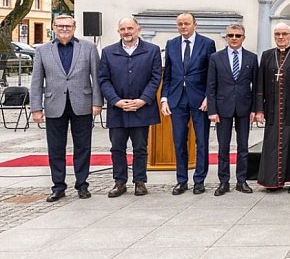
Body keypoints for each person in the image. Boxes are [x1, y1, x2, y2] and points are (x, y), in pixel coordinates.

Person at [30, 15, 102, 202]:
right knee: (55, 148)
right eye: (60, 25)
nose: (64, 29)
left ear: (74, 27)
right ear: (54, 27)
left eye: (68, 26)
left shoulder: (88, 48)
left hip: (82, 104)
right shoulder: (43, 51)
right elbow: (36, 81)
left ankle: (82, 184)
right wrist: (36, 108)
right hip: (54, 105)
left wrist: (97, 102)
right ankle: (58, 186)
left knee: (83, 147)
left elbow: (97, 77)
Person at [98, 18, 162, 198]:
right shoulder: (109, 52)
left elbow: (155, 78)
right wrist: (115, 100)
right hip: (118, 109)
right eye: (123, 29)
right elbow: (103, 79)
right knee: (117, 148)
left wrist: (143, 99)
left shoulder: (152, 51)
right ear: (118, 31)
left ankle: (140, 181)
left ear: (138, 29)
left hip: (142, 108)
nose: (127, 32)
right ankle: (119, 182)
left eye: (130, 28)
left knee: (140, 147)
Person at [161, 12, 216, 195]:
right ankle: (181, 180)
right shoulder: (171, 44)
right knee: (179, 141)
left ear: (195, 24)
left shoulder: (207, 44)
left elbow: (211, 74)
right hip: (177, 99)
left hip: (200, 100)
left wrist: (209, 96)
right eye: (180, 24)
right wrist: (164, 98)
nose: (183, 27)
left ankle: (199, 180)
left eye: (186, 23)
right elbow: (167, 74)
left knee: (201, 141)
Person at [255, 23, 290, 193]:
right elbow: (260, 83)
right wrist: (259, 109)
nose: (280, 37)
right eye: (277, 34)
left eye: (284, 34)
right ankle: (272, 181)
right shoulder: (267, 55)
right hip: (272, 107)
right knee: (272, 145)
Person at [207, 24, 259, 196]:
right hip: (222, 107)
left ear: (243, 37)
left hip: (244, 107)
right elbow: (211, 86)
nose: (234, 38)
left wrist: (255, 109)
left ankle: (241, 181)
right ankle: (223, 182)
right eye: (231, 35)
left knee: (243, 146)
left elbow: (256, 86)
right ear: (226, 37)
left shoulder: (252, 58)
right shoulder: (216, 58)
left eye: (238, 35)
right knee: (223, 147)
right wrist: (212, 110)